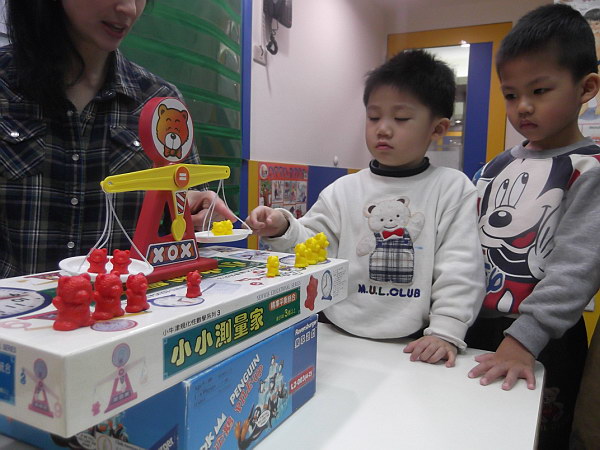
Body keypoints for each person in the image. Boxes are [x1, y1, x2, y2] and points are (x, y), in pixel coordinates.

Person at [247, 50, 485, 367]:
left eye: (401, 118)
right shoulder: (343, 190)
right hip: (337, 333)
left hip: (415, 343)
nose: (383, 128)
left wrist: (446, 331)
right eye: (373, 117)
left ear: (437, 129)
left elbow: (460, 267)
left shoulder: (451, 188)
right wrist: (284, 227)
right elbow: (314, 248)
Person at [0, 0, 236, 279]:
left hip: (129, 303)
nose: (129, 9)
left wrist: (194, 206)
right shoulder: (5, 84)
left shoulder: (160, 102)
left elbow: (188, 209)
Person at [465, 4, 600, 449]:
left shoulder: (589, 169)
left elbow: (577, 268)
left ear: (586, 88)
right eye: (510, 94)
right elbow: (463, 246)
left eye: (540, 90)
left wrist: (524, 340)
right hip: (473, 326)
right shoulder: (494, 166)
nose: (523, 106)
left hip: (543, 338)